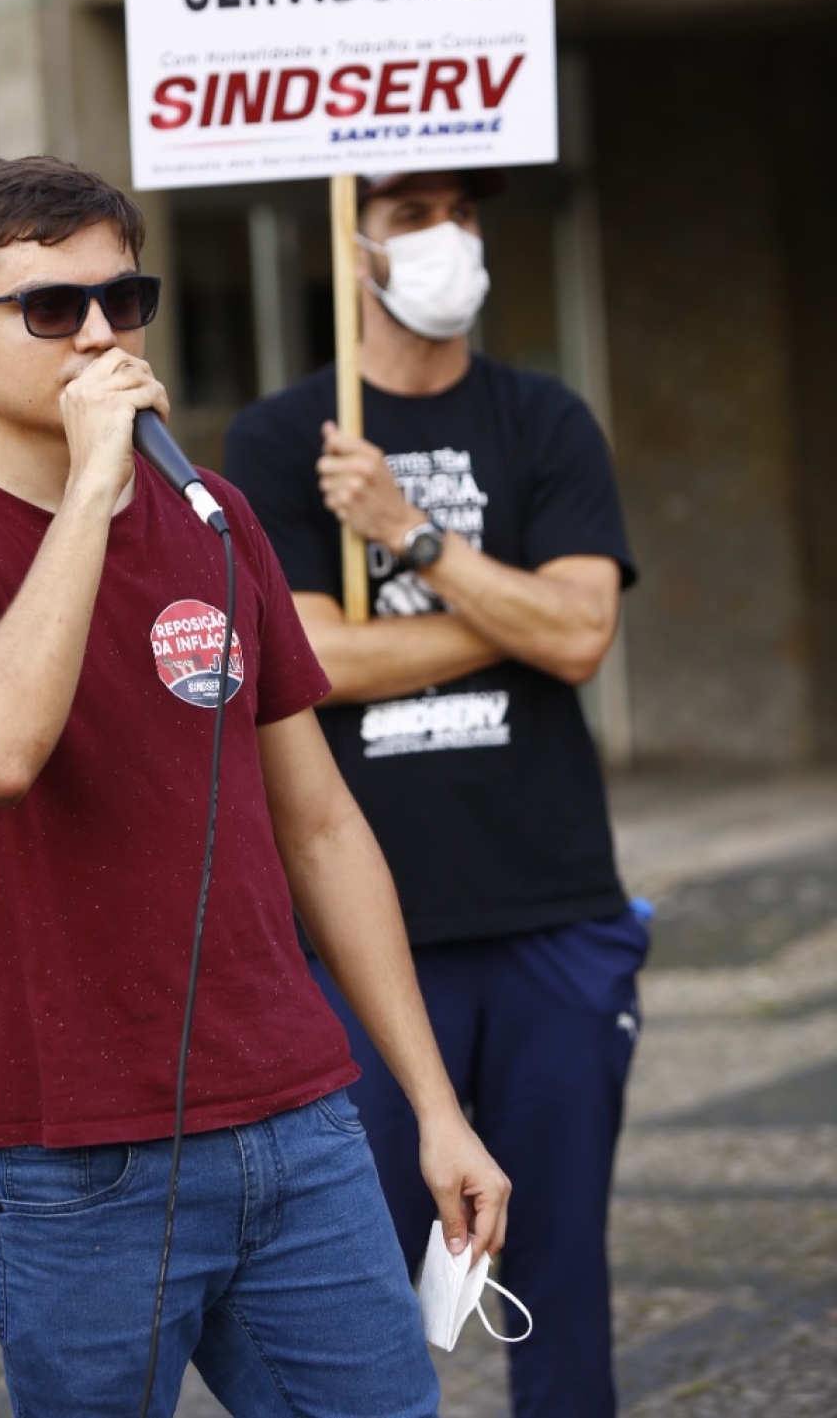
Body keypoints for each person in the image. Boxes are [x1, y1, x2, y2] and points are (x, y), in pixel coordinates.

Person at [0, 154, 510, 1418]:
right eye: (50, 307)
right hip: (74, 1155)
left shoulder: (212, 516)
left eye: (123, 300)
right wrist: (92, 487)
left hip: (297, 1120)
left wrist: (433, 1103)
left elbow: (319, 825)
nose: (98, 334)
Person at [224, 169, 645, 1418]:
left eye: (463, 211)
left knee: (559, 1275)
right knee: (356, 1282)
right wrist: (519, 617)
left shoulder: (545, 418)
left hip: (553, 913)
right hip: (365, 937)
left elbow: (586, 635)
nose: (447, 236)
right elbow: (315, 659)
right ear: (353, 245)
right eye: (411, 214)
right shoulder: (282, 439)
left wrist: (412, 535)